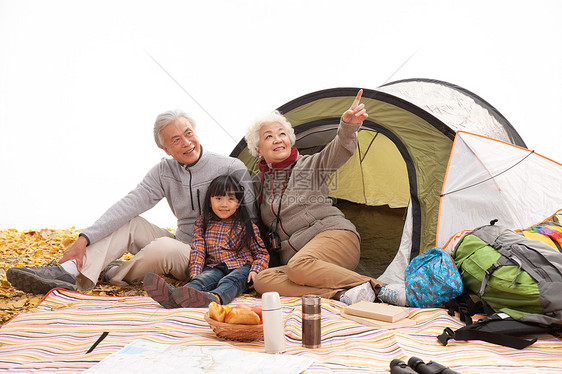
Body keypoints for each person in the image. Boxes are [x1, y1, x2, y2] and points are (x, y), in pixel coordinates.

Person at [7, 110, 257, 294]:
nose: (186, 142)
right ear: (166, 149)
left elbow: (253, 220)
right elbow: (129, 204)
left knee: (163, 248)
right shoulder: (164, 171)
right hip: (182, 242)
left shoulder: (230, 167)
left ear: (196, 132)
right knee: (131, 221)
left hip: (210, 257)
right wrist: (84, 238)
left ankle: (113, 272)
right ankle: (68, 272)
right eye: (176, 140)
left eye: (188, 133)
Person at [244, 89, 407, 306]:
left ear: (290, 140)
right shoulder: (258, 184)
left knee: (298, 266)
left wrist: (348, 128)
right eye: (269, 136)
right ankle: (342, 295)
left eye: (282, 134)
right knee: (263, 282)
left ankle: (381, 288)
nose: (278, 140)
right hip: (302, 264)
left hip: (335, 238)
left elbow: (336, 152)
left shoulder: (308, 166)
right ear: (258, 149)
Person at [144, 174, 268, 308]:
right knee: (203, 279)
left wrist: (255, 270)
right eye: (219, 198)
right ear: (210, 201)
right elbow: (198, 250)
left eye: (231, 199)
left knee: (231, 280)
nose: (224, 204)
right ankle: (175, 296)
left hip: (242, 266)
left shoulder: (246, 226)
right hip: (215, 266)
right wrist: (195, 273)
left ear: (238, 204)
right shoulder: (203, 223)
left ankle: (214, 298)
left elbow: (261, 253)